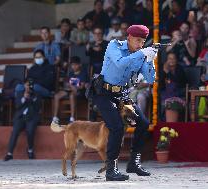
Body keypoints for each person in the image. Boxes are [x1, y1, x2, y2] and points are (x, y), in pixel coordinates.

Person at [91, 25, 157, 181]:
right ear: (129, 38)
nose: (140, 44)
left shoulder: (140, 54)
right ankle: (111, 170)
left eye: (143, 42)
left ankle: (134, 163)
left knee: (143, 123)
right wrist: (142, 53)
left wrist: (150, 60)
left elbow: (150, 79)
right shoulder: (114, 46)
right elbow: (120, 63)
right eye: (138, 40)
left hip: (121, 94)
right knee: (117, 127)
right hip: (103, 93)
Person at [4, 79, 41, 161]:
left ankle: (30, 150)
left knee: (30, 131)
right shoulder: (20, 93)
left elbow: (38, 108)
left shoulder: (36, 94)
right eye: (27, 85)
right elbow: (17, 106)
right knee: (15, 132)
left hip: (31, 117)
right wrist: (24, 98)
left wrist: (31, 98)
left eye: (30, 85)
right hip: (20, 117)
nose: (28, 87)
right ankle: (9, 153)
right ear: (24, 85)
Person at [52, 56, 88, 124]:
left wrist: (72, 84)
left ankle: (72, 118)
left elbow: (81, 86)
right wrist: (73, 84)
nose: (73, 66)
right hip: (70, 90)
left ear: (80, 64)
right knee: (56, 96)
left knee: (72, 95)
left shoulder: (83, 73)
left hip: (79, 92)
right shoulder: (71, 73)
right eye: (72, 65)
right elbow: (67, 83)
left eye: (75, 64)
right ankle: (55, 118)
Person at [160, 52, 186, 122]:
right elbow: (160, 84)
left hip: (178, 94)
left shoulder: (180, 69)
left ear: (176, 60)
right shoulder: (163, 69)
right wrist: (164, 72)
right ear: (167, 60)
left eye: (173, 58)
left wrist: (168, 73)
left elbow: (179, 82)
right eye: (169, 59)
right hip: (165, 94)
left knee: (171, 103)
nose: (171, 60)